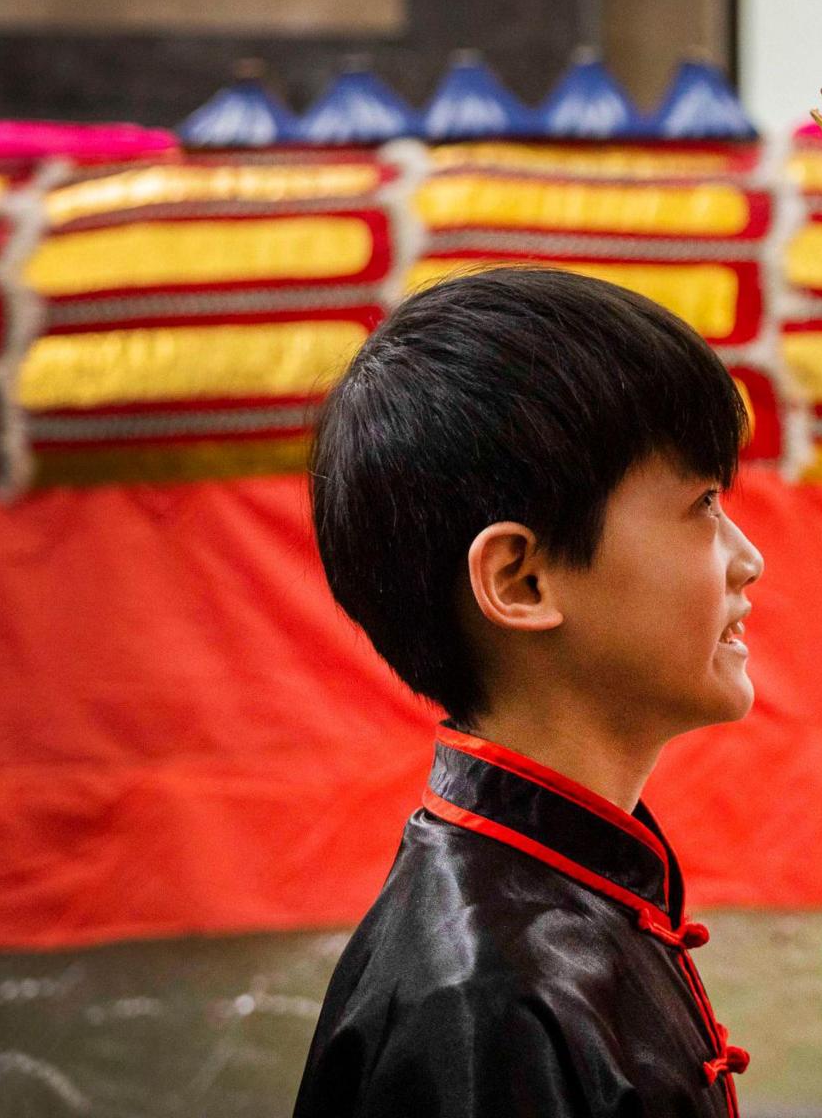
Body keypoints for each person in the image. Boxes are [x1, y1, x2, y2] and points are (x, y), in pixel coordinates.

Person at [294, 266, 765, 1118]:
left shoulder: (556, 906)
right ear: (522, 579)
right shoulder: (482, 1006)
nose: (746, 559)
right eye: (700, 504)